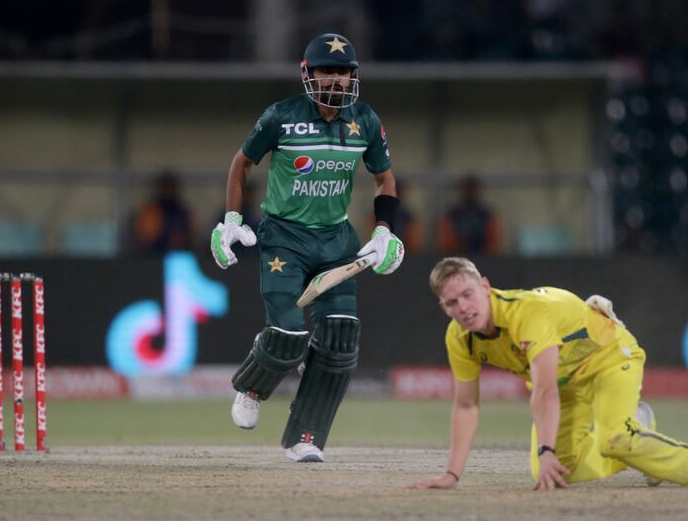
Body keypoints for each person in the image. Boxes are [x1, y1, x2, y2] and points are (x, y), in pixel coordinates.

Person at [210, 33, 404, 462]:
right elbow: (241, 164)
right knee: (288, 334)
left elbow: (384, 178)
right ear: (308, 74)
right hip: (284, 238)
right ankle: (251, 387)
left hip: (336, 239)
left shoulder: (365, 121)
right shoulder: (280, 118)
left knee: (339, 340)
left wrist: (385, 231)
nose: (335, 80)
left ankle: (306, 437)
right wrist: (231, 221)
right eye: (326, 71)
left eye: (343, 72)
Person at [408, 257, 688, 490]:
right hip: (566, 380)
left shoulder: (526, 314)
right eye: (452, 303)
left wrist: (545, 450)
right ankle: (644, 442)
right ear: (443, 307)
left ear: (485, 286)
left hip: (609, 357)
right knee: (560, 472)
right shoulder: (460, 338)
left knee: (614, 439)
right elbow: (467, 406)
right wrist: (452, 474)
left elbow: (543, 393)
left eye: (468, 294)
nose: (463, 308)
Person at [436, 175, 502, 254]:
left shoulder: (487, 215)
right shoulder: (452, 215)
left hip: (483, 258)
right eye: (467, 189)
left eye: (473, 189)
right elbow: (445, 243)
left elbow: (493, 244)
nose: (470, 193)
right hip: (457, 257)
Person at [132, 171, 193, 254]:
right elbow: (145, 239)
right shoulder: (151, 211)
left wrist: (178, 240)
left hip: (178, 255)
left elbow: (189, 237)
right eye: (165, 188)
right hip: (152, 255)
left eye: (171, 188)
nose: (168, 191)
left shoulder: (182, 212)